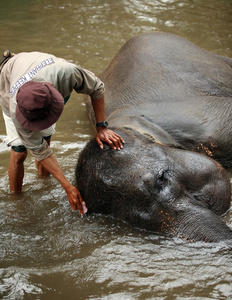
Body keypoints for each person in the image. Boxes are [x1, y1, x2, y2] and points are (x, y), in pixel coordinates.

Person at [0, 50, 124, 215]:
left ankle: (44, 181)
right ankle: (16, 201)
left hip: (37, 73)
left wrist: (101, 127)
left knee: (46, 141)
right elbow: (40, 151)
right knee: (19, 153)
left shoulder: (67, 72)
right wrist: (67, 186)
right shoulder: (17, 109)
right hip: (9, 81)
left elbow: (97, 88)